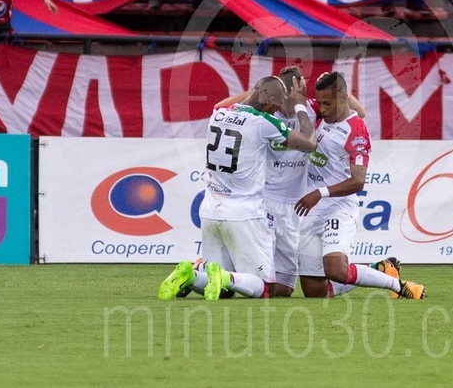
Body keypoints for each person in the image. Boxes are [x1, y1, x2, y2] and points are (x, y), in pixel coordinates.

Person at [211, 66, 394, 298]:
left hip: (296, 206)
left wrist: (337, 87)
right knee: (259, 279)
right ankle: (205, 271)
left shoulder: (311, 108)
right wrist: (259, 89)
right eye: (281, 97)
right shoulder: (266, 112)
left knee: (285, 291)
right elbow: (219, 107)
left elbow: (359, 112)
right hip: (264, 202)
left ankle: (376, 270)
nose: (283, 104)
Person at [158, 75, 317, 300]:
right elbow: (309, 143)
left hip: (211, 210)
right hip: (244, 213)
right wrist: (300, 104)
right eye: (276, 105)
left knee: (222, 292)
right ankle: (224, 277)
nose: (277, 111)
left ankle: (192, 276)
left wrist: (261, 89)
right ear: (269, 101)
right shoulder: (263, 123)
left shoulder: (218, 114)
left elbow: (243, 102)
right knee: (265, 289)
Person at [294, 72, 426, 300]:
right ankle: (378, 268)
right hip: (311, 210)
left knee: (336, 270)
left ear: (343, 96)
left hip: (337, 208)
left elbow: (357, 181)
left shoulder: (356, 130)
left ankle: (398, 286)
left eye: (328, 103)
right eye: (320, 103)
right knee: (315, 293)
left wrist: (319, 193)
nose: (322, 109)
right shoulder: (322, 114)